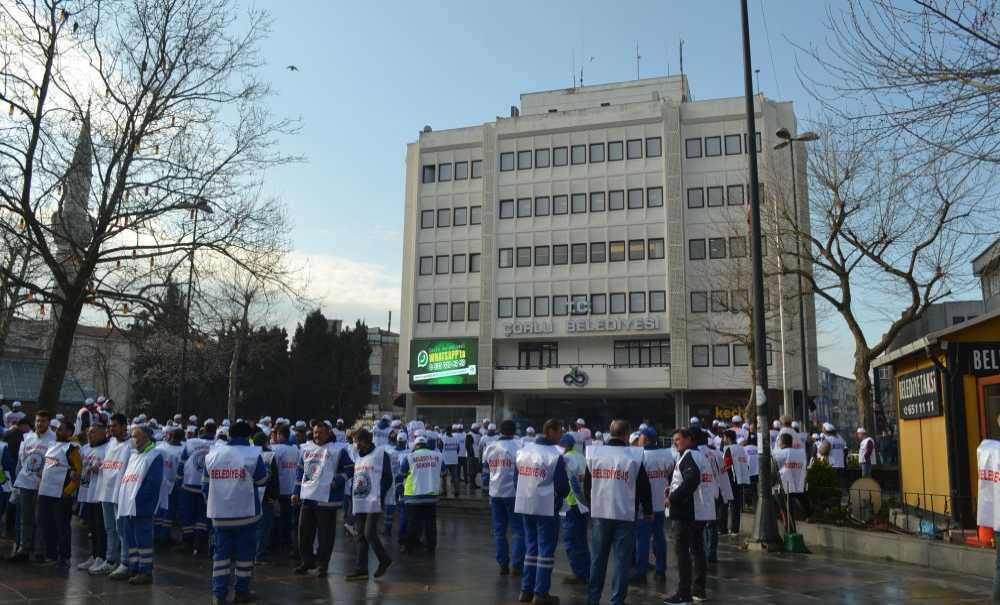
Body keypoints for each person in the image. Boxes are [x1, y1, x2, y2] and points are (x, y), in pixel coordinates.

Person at [584, 419, 652, 605]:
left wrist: (591, 506)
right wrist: (648, 510)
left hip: (600, 512)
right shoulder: (634, 456)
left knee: (598, 559)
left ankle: (593, 598)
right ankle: (616, 601)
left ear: (610, 432)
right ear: (626, 434)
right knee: (621, 562)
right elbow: (643, 487)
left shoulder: (594, 454)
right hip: (625, 513)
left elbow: (587, 485)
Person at [203, 420, 268, 605]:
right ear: (248, 436)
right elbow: (262, 480)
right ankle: (241, 592)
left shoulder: (213, 454)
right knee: (244, 557)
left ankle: (219, 594)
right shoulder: (253, 454)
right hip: (246, 514)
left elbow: (204, 485)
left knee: (220, 557)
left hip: (219, 516)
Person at [514, 418, 569, 605]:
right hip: (546, 507)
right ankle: (541, 593)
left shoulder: (523, 451)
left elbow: (517, 480)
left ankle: (526, 591)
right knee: (545, 551)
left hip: (525, 505)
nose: (561, 434)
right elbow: (562, 487)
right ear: (550, 431)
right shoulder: (555, 455)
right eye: (559, 431)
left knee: (530, 549)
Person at [293, 420, 352, 577]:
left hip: (327, 499)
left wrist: (338, 481)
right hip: (308, 497)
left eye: (320, 432)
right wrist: (295, 491)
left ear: (328, 433)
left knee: (326, 535)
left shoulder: (338, 450)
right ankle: (307, 561)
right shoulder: (306, 448)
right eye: (315, 432)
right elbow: (300, 471)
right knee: (304, 532)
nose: (317, 435)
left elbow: (350, 469)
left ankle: (322, 564)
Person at [663, 428, 710, 605]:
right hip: (697, 510)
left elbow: (692, 480)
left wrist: (672, 498)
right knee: (697, 550)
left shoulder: (690, 455)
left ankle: (684, 593)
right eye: (673, 440)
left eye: (678, 439)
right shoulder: (694, 455)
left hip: (686, 512)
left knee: (682, 553)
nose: (675, 443)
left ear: (689, 439)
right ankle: (698, 590)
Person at [115, 424, 164, 585]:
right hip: (129, 504)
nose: (132, 439)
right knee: (131, 538)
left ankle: (145, 570)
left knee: (143, 538)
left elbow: (152, 483)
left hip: (142, 505)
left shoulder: (155, 455)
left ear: (145, 437)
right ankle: (134, 566)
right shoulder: (134, 454)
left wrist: (137, 499)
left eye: (135, 436)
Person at [345, 428, 393, 581]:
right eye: (354, 442)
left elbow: (387, 477)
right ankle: (361, 569)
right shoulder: (357, 457)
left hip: (374, 500)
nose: (355, 445)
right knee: (360, 535)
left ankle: (384, 559)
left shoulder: (380, 454)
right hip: (360, 500)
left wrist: (380, 493)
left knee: (369, 532)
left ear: (366, 441)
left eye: (357, 441)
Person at [10, 410, 55, 562]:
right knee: (25, 518)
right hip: (25, 483)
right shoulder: (28, 438)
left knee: (40, 519)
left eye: (42, 421)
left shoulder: (53, 439)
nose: (39, 424)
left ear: (48, 422)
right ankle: (24, 549)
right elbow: (21, 460)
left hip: (42, 485)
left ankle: (39, 551)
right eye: (37, 421)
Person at [37, 418, 81, 567]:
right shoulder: (52, 445)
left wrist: (67, 492)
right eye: (57, 429)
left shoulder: (71, 448)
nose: (58, 431)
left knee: (61, 526)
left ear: (69, 432)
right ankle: (51, 555)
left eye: (61, 429)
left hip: (60, 494)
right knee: (45, 524)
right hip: (45, 492)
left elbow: (77, 471)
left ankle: (64, 556)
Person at [483, 419, 524, 575]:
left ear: (500, 431)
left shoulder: (490, 447)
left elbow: (486, 472)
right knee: (519, 531)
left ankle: (502, 564)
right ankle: (517, 564)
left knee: (499, 531)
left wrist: (487, 489)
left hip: (495, 493)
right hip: (514, 494)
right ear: (514, 432)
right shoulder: (519, 446)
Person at [635, 426, 673, 581]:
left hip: (645, 505)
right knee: (659, 537)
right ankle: (660, 569)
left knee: (642, 539)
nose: (638, 441)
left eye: (640, 438)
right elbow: (670, 472)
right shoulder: (666, 454)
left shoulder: (640, 455)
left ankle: (641, 571)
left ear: (647, 439)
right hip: (660, 502)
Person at [400, 434, 445, 554]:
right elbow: (444, 471)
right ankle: (431, 547)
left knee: (412, 523)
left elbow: (403, 473)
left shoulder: (409, 457)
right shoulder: (438, 456)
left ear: (416, 445)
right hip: (431, 496)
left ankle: (409, 547)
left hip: (413, 495)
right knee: (430, 524)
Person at [78, 423, 110, 572]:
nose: (89, 435)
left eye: (93, 432)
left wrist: (101, 468)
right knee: (91, 528)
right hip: (87, 493)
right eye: (88, 432)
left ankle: (101, 557)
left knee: (100, 527)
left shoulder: (109, 448)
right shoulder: (85, 449)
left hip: (100, 494)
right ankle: (94, 555)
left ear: (103, 433)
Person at [559, 433, 589, 586]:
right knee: (582, 539)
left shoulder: (564, 459)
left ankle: (579, 573)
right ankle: (586, 572)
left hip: (570, 503)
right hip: (583, 504)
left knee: (571, 540)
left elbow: (566, 482)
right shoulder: (581, 456)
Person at [177, 426, 212, 555]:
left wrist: (179, 480)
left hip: (189, 484)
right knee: (203, 515)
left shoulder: (191, 443)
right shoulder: (217, 445)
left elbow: (182, 463)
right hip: (206, 485)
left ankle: (187, 544)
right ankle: (200, 544)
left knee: (188, 514)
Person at [270, 425, 299, 557]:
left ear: (280, 435)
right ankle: (290, 544)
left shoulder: (275, 449)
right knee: (291, 520)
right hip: (293, 490)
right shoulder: (296, 450)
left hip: (280, 490)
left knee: (278, 519)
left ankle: (279, 544)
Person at [154, 428, 184, 544]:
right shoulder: (182, 450)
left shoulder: (160, 447)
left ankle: (159, 534)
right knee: (168, 510)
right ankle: (163, 535)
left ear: (170, 435)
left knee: (160, 509)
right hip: (172, 484)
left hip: (162, 483)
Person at [253, 432, 280, 565]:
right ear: (265, 442)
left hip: (250, 495)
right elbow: (274, 478)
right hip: (266, 496)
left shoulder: (249, 454)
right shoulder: (270, 455)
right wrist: (274, 496)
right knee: (264, 527)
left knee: (252, 526)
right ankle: (260, 555)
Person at [773, 433, 808, 520]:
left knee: (786, 511)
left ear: (782, 442)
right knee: (801, 500)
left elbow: (773, 469)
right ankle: (808, 514)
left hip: (784, 485)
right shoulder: (800, 452)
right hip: (799, 484)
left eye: (779, 442)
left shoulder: (779, 453)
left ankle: (789, 529)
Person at [722, 430, 750, 535]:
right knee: (737, 505)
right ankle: (735, 529)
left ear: (728, 438)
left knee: (729, 504)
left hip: (731, 479)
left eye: (724, 437)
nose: (723, 440)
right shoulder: (741, 448)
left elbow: (727, 465)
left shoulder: (729, 449)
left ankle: (729, 529)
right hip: (741, 479)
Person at [441, 425, 461, 498]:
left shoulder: (443, 438)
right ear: (451, 430)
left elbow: (440, 448)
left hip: (445, 460)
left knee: (444, 476)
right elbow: (458, 449)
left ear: (446, 431)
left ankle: (444, 491)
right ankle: (456, 491)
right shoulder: (456, 438)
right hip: (454, 460)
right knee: (455, 477)